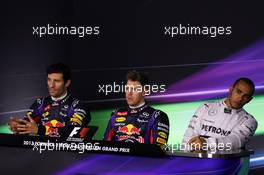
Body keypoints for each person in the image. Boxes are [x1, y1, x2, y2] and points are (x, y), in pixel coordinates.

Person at [8, 62, 90, 137]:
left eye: (57, 81)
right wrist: (18, 126)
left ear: (67, 83)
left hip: (68, 152)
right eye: (49, 80)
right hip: (42, 151)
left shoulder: (77, 105)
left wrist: (39, 130)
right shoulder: (40, 103)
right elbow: (27, 125)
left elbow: (74, 132)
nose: (51, 85)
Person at [182, 77, 258, 150]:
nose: (240, 98)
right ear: (231, 90)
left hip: (225, 162)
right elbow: (188, 136)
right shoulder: (205, 107)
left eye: (246, 96)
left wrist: (206, 143)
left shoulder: (250, 121)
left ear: (249, 100)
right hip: (195, 159)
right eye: (238, 92)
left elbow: (236, 141)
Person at [103, 70, 169, 146]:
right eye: (127, 88)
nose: (129, 93)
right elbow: (105, 146)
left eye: (134, 89)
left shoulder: (157, 116)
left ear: (145, 91)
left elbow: (157, 150)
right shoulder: (116, 114)